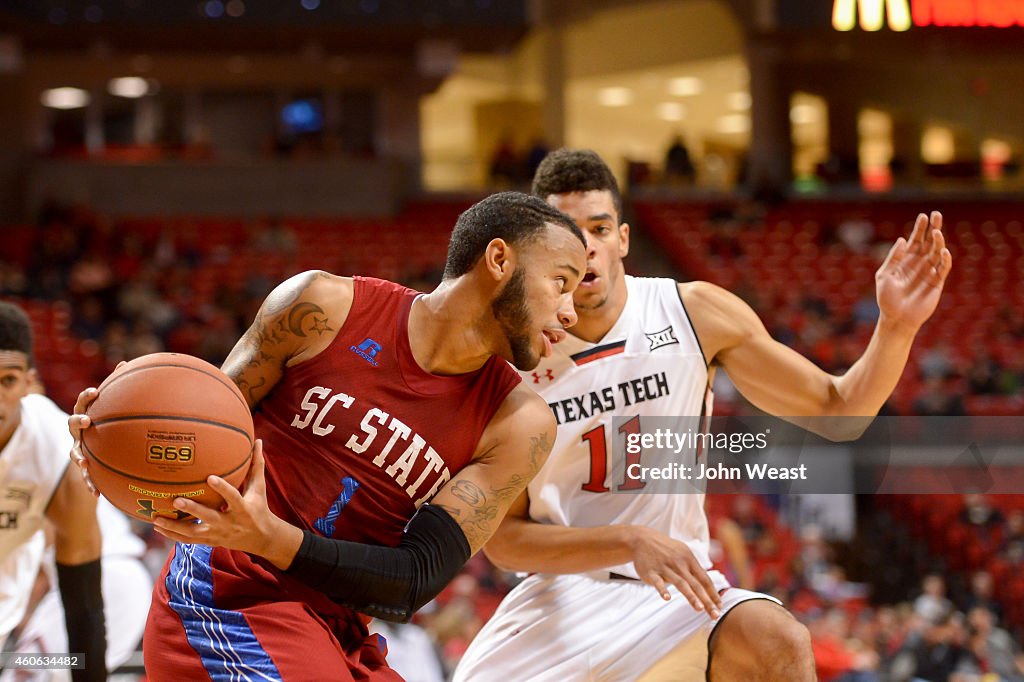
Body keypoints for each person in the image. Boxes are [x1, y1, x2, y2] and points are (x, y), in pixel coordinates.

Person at [453, 149, 952, 681]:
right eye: (570, 233)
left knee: (778, 640)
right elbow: (504, 540)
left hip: (678, 589)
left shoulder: (692, 313)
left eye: (599, 228)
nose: (587, 248)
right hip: (561, 594)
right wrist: (627, 541)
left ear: (622, 238)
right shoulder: (511, 359)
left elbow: (839, 411)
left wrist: (896, 326)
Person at [69, 191, 587, 680]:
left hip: (340, 630)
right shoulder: (322, 308)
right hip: (226, 596)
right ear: (499, 260)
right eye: (561, 283)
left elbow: (413, 581)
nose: (570, 312)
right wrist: (112, 433)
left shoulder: (519, 424)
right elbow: (198, 430)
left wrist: (270, 537)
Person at [0, 302, 106, 682]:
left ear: (29, 383)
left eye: (7, 380)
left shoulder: (57, 451)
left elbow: (83, 608)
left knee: (41, 667)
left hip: (114, 575)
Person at [3, 497, 152, 682]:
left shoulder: (45, 483)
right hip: (121, 574)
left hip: (105, 573)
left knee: (34, 665)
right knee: (67, 667)